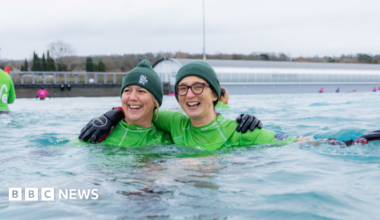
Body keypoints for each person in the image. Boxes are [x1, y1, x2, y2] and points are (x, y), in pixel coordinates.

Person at [80, 61, 380, 150]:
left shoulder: (239, 129)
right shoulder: (174, 122)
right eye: (183, 88)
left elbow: (297, 143)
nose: (190, 94)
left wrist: (354, 142)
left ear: (214, 93)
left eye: (198, 86)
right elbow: (142, 107)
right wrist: (111, 115)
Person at [75, 60, 173, 146]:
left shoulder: (164, 141)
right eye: (127, 90)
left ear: (155, 102)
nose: (132, 97)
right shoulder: (100, 130)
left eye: (141, 91)